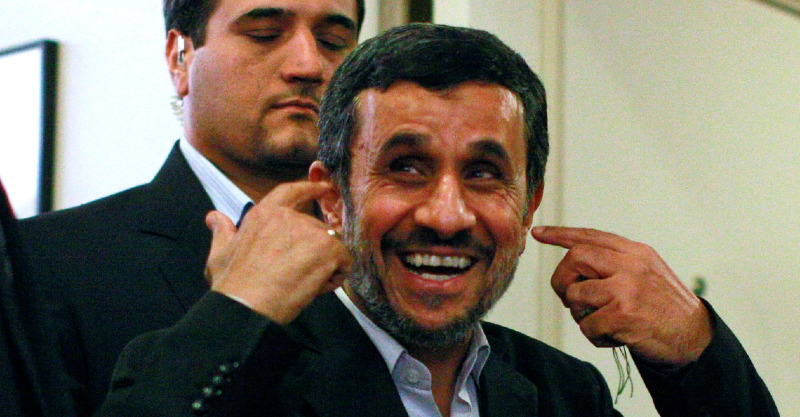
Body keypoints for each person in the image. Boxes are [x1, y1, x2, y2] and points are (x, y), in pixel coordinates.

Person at [97, 23, 778, 417]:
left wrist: (695, 350)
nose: (448, 215)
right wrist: (237, 311)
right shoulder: (243, 377)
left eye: (483, 173)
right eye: (406, 167)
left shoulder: (563, 395)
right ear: (331, 197)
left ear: (529, 204)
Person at [18, 0, 365, 415]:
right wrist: (236, 312)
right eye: (265, 34)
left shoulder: (391, 248)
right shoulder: (40, 264)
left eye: (333, 41)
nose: (309, 65)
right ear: (179, 58)